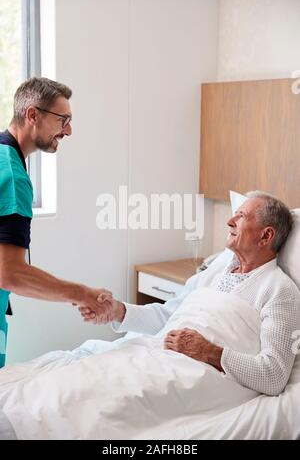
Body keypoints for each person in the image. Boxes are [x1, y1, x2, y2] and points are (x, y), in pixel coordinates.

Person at [80, 192, 300, 396]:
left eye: (241, 217)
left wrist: (208, 351)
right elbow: (168, 317)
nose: (229, 222)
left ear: (266, 236)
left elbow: (273, 375)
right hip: (157, 355)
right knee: (82, 382)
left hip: (192, 377)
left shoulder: (280, 291)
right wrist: (117, 311)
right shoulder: (214, 272)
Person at [0, 77, 110, 368]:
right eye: (64, 120)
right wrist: (82, 294)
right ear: (32, 115)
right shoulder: (12, 177)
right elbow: (9, 273)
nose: (69, 131)